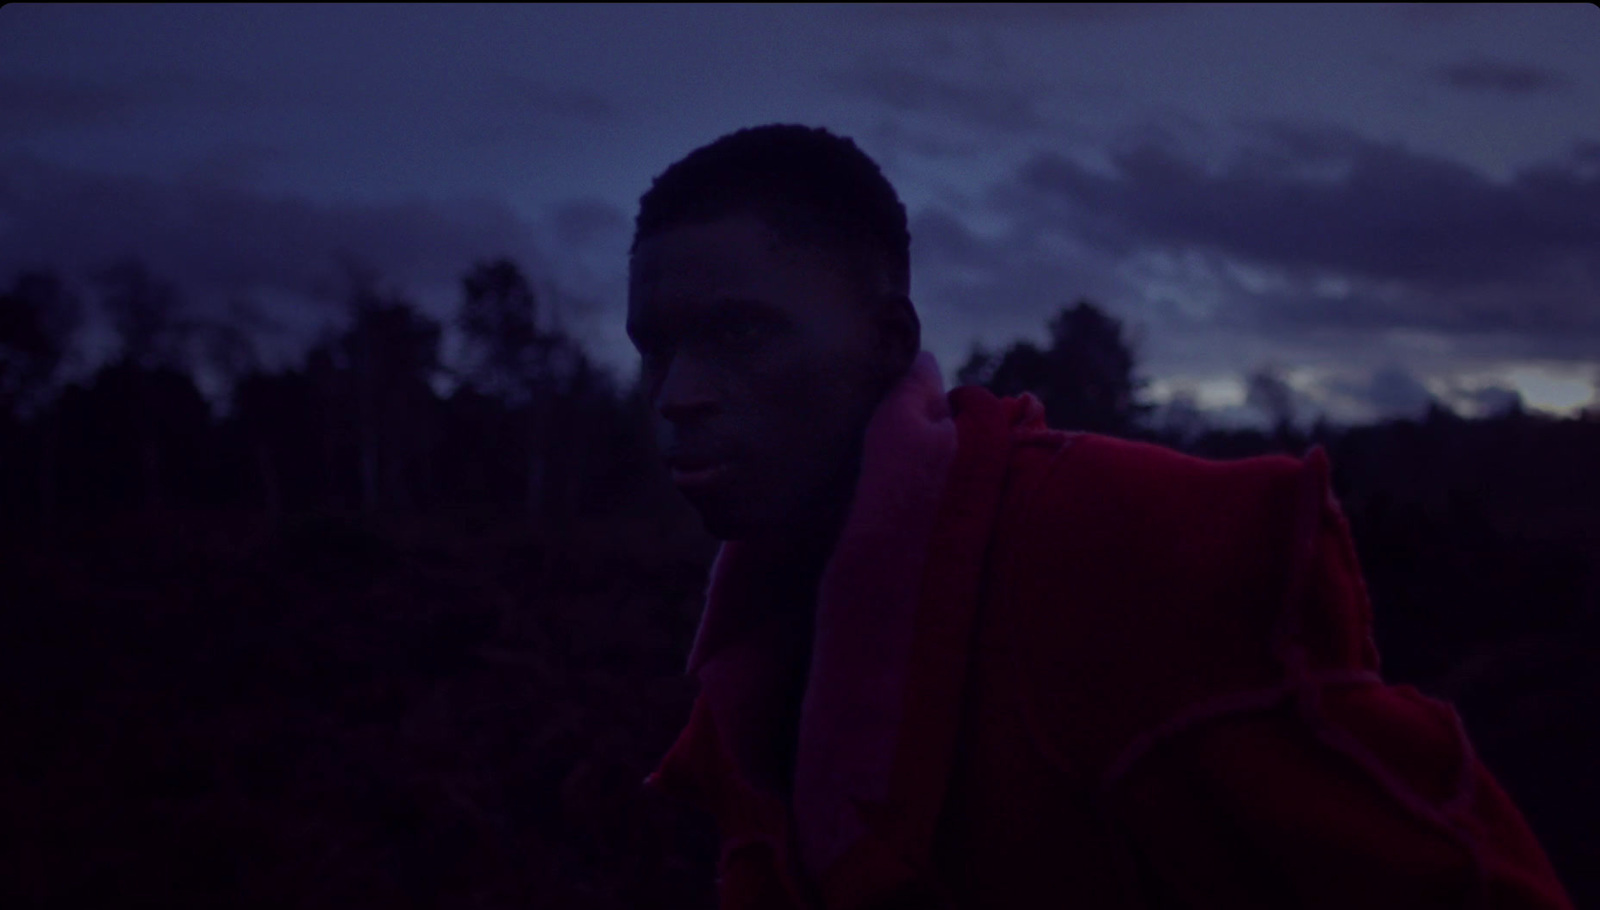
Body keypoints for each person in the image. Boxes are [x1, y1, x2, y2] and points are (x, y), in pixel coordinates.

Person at [631, 124, 1572, 910]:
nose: (677, 395)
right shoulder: (748, 674)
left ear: (889, 341)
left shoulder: (1124, 551)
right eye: (655, 349)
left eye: (737, 334)